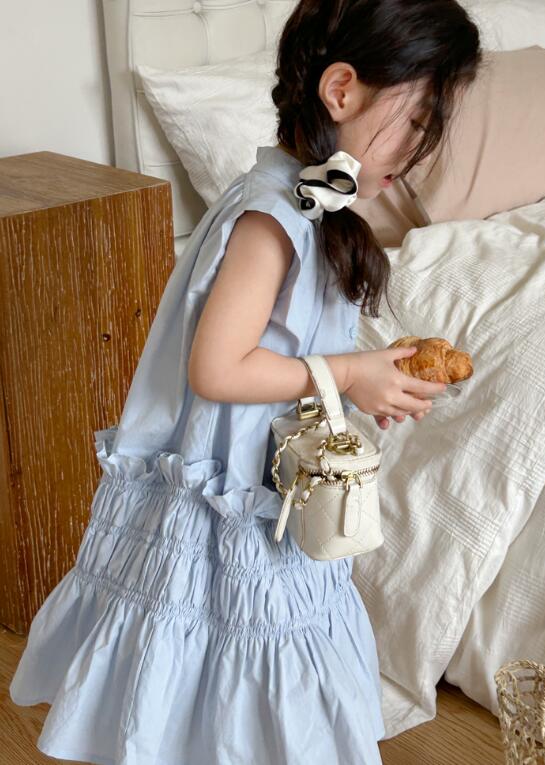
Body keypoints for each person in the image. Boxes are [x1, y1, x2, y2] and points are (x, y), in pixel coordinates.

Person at [9, 1, 482, 762]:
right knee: (228, 653)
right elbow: (217, 367)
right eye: (417, 121)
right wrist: (346, 374)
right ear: (341, 90)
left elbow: (293, 343)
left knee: (257, 665)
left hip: (275, 487)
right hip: (231, 492)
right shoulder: (272, 217)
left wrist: (365, 374)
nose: (422, 149)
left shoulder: (313, 207)